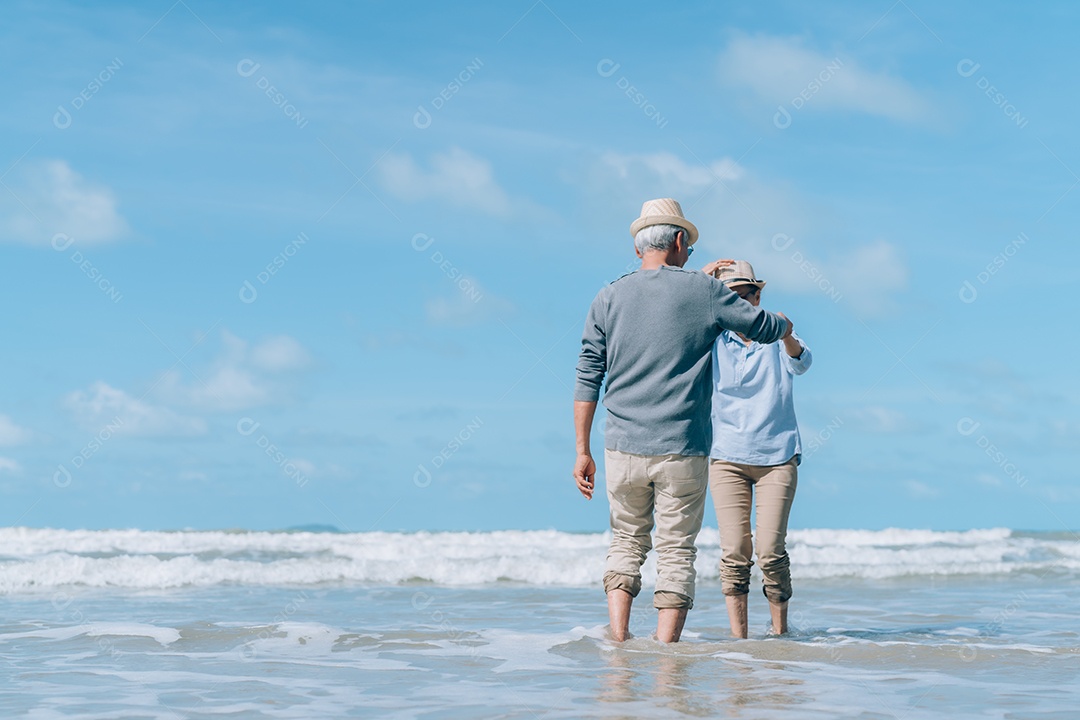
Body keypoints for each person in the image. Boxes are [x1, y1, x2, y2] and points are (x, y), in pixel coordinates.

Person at [573, 199, 793, 643]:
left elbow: (587, 373)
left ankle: (618, 639)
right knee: (676, 551)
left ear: (639, 250)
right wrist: (784, 322)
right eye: (688, 248)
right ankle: (664, 652)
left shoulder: (608, 296)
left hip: (621, 446)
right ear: (677, 241)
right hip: (683, 447)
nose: (690, 255)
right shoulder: (703, 292)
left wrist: (582, 450)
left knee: (626, 543)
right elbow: (763, 328)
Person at [701, 259, 812, 639]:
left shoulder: (776, 336)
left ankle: (780, 635)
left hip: (777, 458)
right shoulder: (712, 339)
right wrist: (700, 281)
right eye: (725, 300)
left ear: (757, 296)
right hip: (726, 457)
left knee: (769, 551)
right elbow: (677, 328)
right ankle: (740, 640)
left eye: (742, 297)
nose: (734, 307)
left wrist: (785, 335)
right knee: (734, 552)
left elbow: (802, 363)